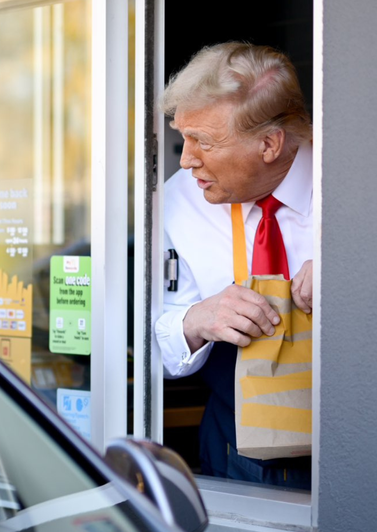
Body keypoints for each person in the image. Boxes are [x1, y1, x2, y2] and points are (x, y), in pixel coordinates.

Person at [155, 43, 313, 489]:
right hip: (234, 448)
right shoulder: (179, 201)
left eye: (203, 141)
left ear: (269, 143)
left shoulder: (356, 181)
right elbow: (158, 347)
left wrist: (360, 272)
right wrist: (194, 320)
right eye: (182, 136)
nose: (186, 160)